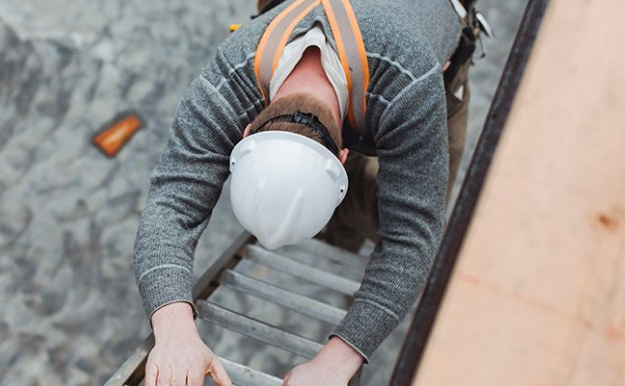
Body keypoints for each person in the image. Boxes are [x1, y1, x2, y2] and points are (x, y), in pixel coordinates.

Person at [133, 0, 475, 384]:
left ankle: (358, 273)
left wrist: (341, 357)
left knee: (406, 216)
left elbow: (412, 238)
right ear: (246, 130)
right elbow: (170, 204)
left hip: (420, 54)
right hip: (371, 51)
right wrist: (174, 330)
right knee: (352, 230)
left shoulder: (410, 84)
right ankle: (340, 239)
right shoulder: (229, 77)